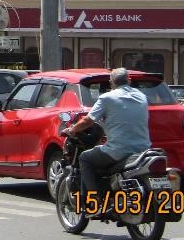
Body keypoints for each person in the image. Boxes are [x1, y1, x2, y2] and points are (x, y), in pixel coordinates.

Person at [62, 67, 150, 215]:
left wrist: (71, 130)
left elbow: (88, 120)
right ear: (129, 80)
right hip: (143, 150)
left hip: (118, 151)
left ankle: (94, 201)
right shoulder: (142, 96)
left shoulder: (107, 98)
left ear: (111, 83)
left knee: (85, 159)